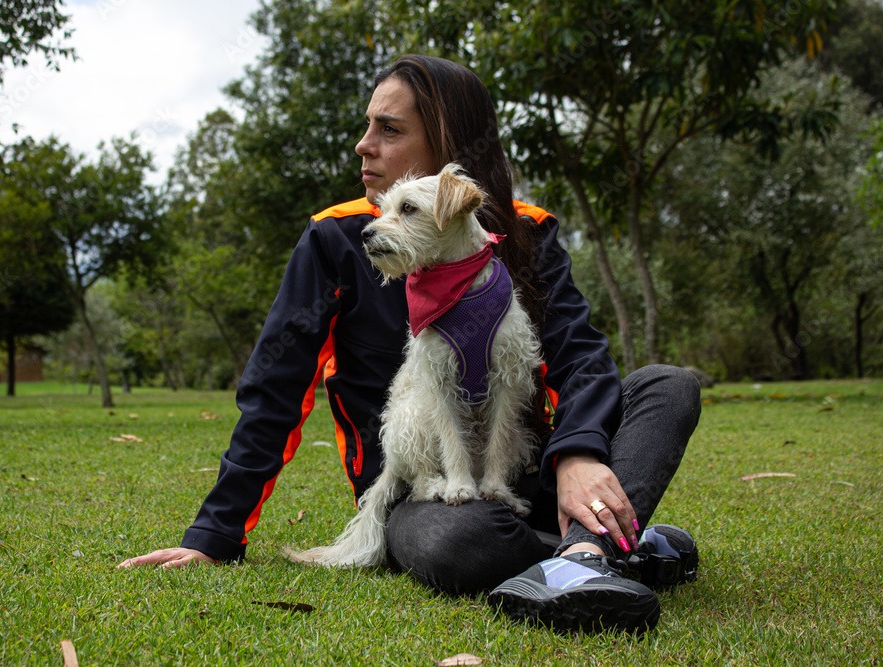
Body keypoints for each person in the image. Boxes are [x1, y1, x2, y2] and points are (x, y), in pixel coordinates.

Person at [119, 54, 702, 634]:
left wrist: (577, 455)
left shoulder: (528, 230)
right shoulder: (337, 238)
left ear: (449, 146)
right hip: (424, 493)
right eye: (369, 125)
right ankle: (612, 548)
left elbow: (581, 360)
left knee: (668, 386)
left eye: (389, 129)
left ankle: (579, 559)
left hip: (525, 468)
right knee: (461, 542)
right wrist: (213, 537)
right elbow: (275, 390)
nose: (363, 145)